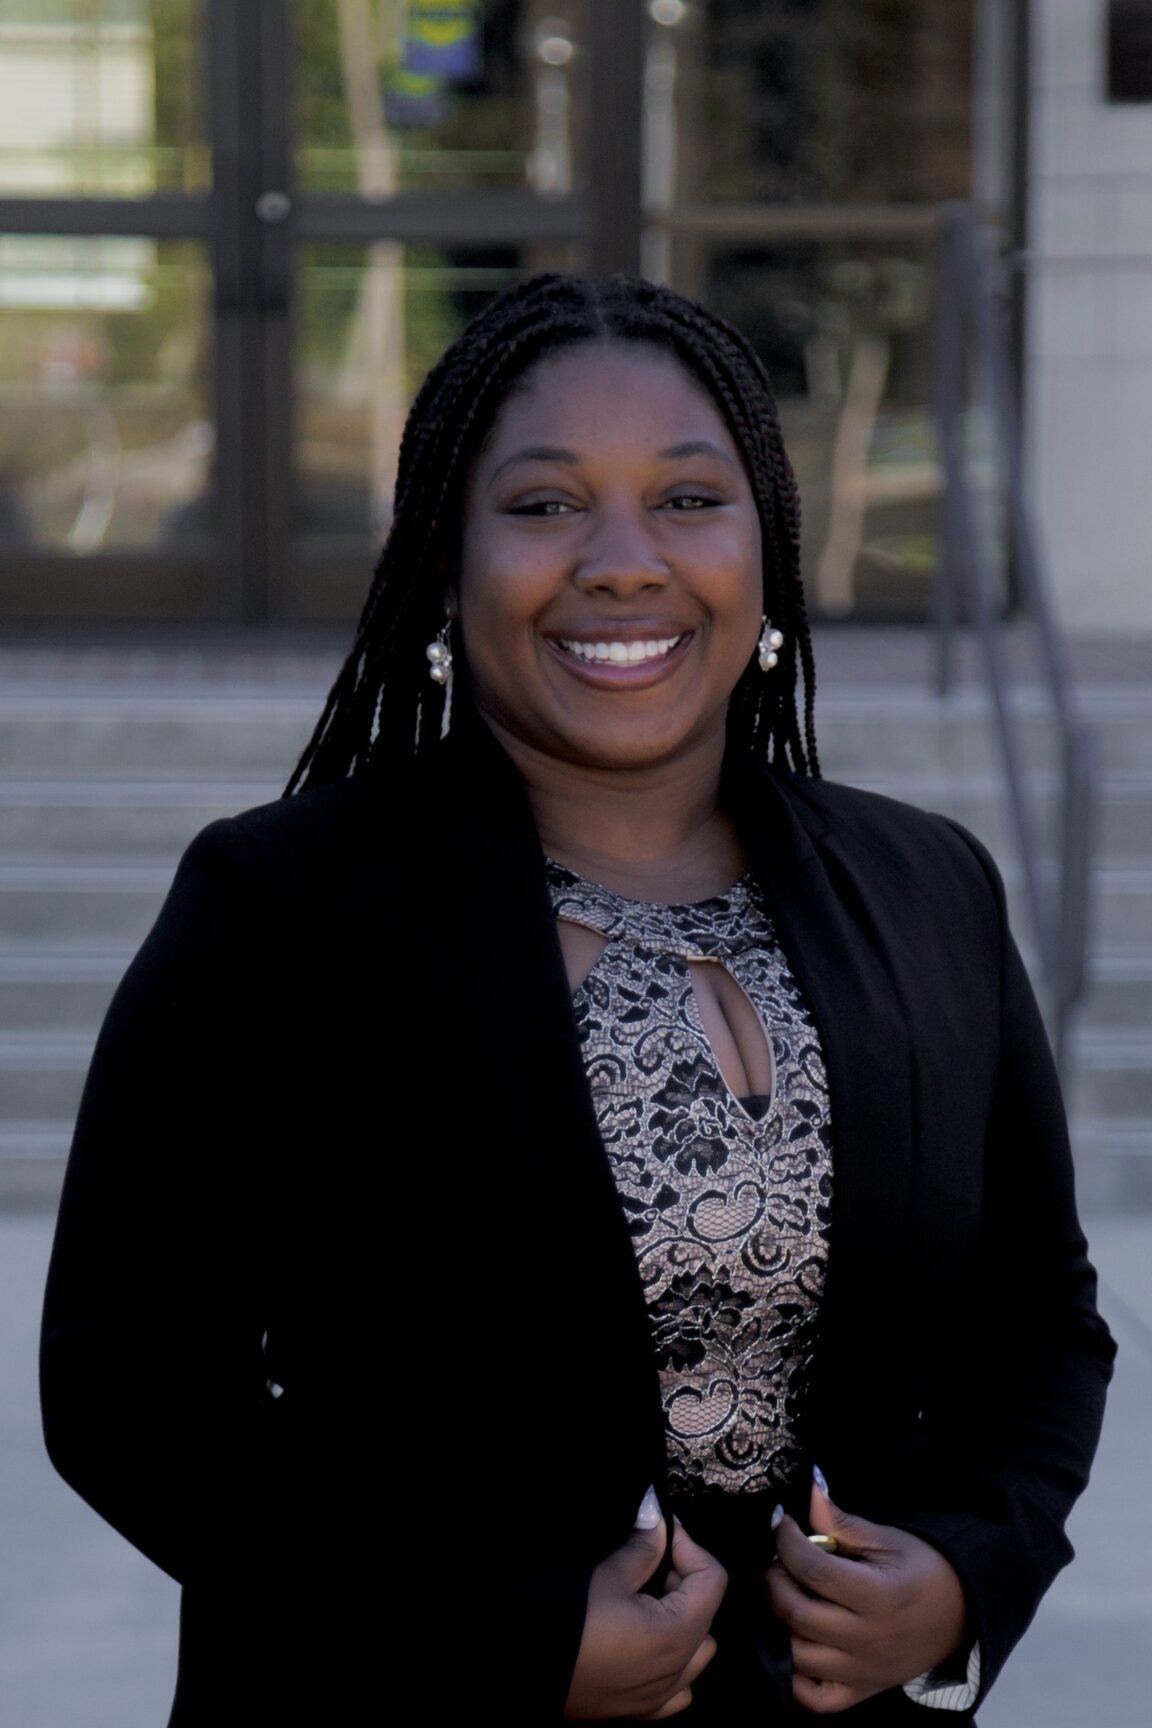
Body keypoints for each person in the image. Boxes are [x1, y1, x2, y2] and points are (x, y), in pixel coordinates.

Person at [41, 274, 1115, 1726]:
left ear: (767, 552)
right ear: (443, 562)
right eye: (545, 506)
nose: (624, 561)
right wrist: (494, 1636)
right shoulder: (283, 911)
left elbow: (1036, 1324)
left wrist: (963, 1583)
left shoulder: (929, 889)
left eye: (688, 500)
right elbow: (132, 1391)